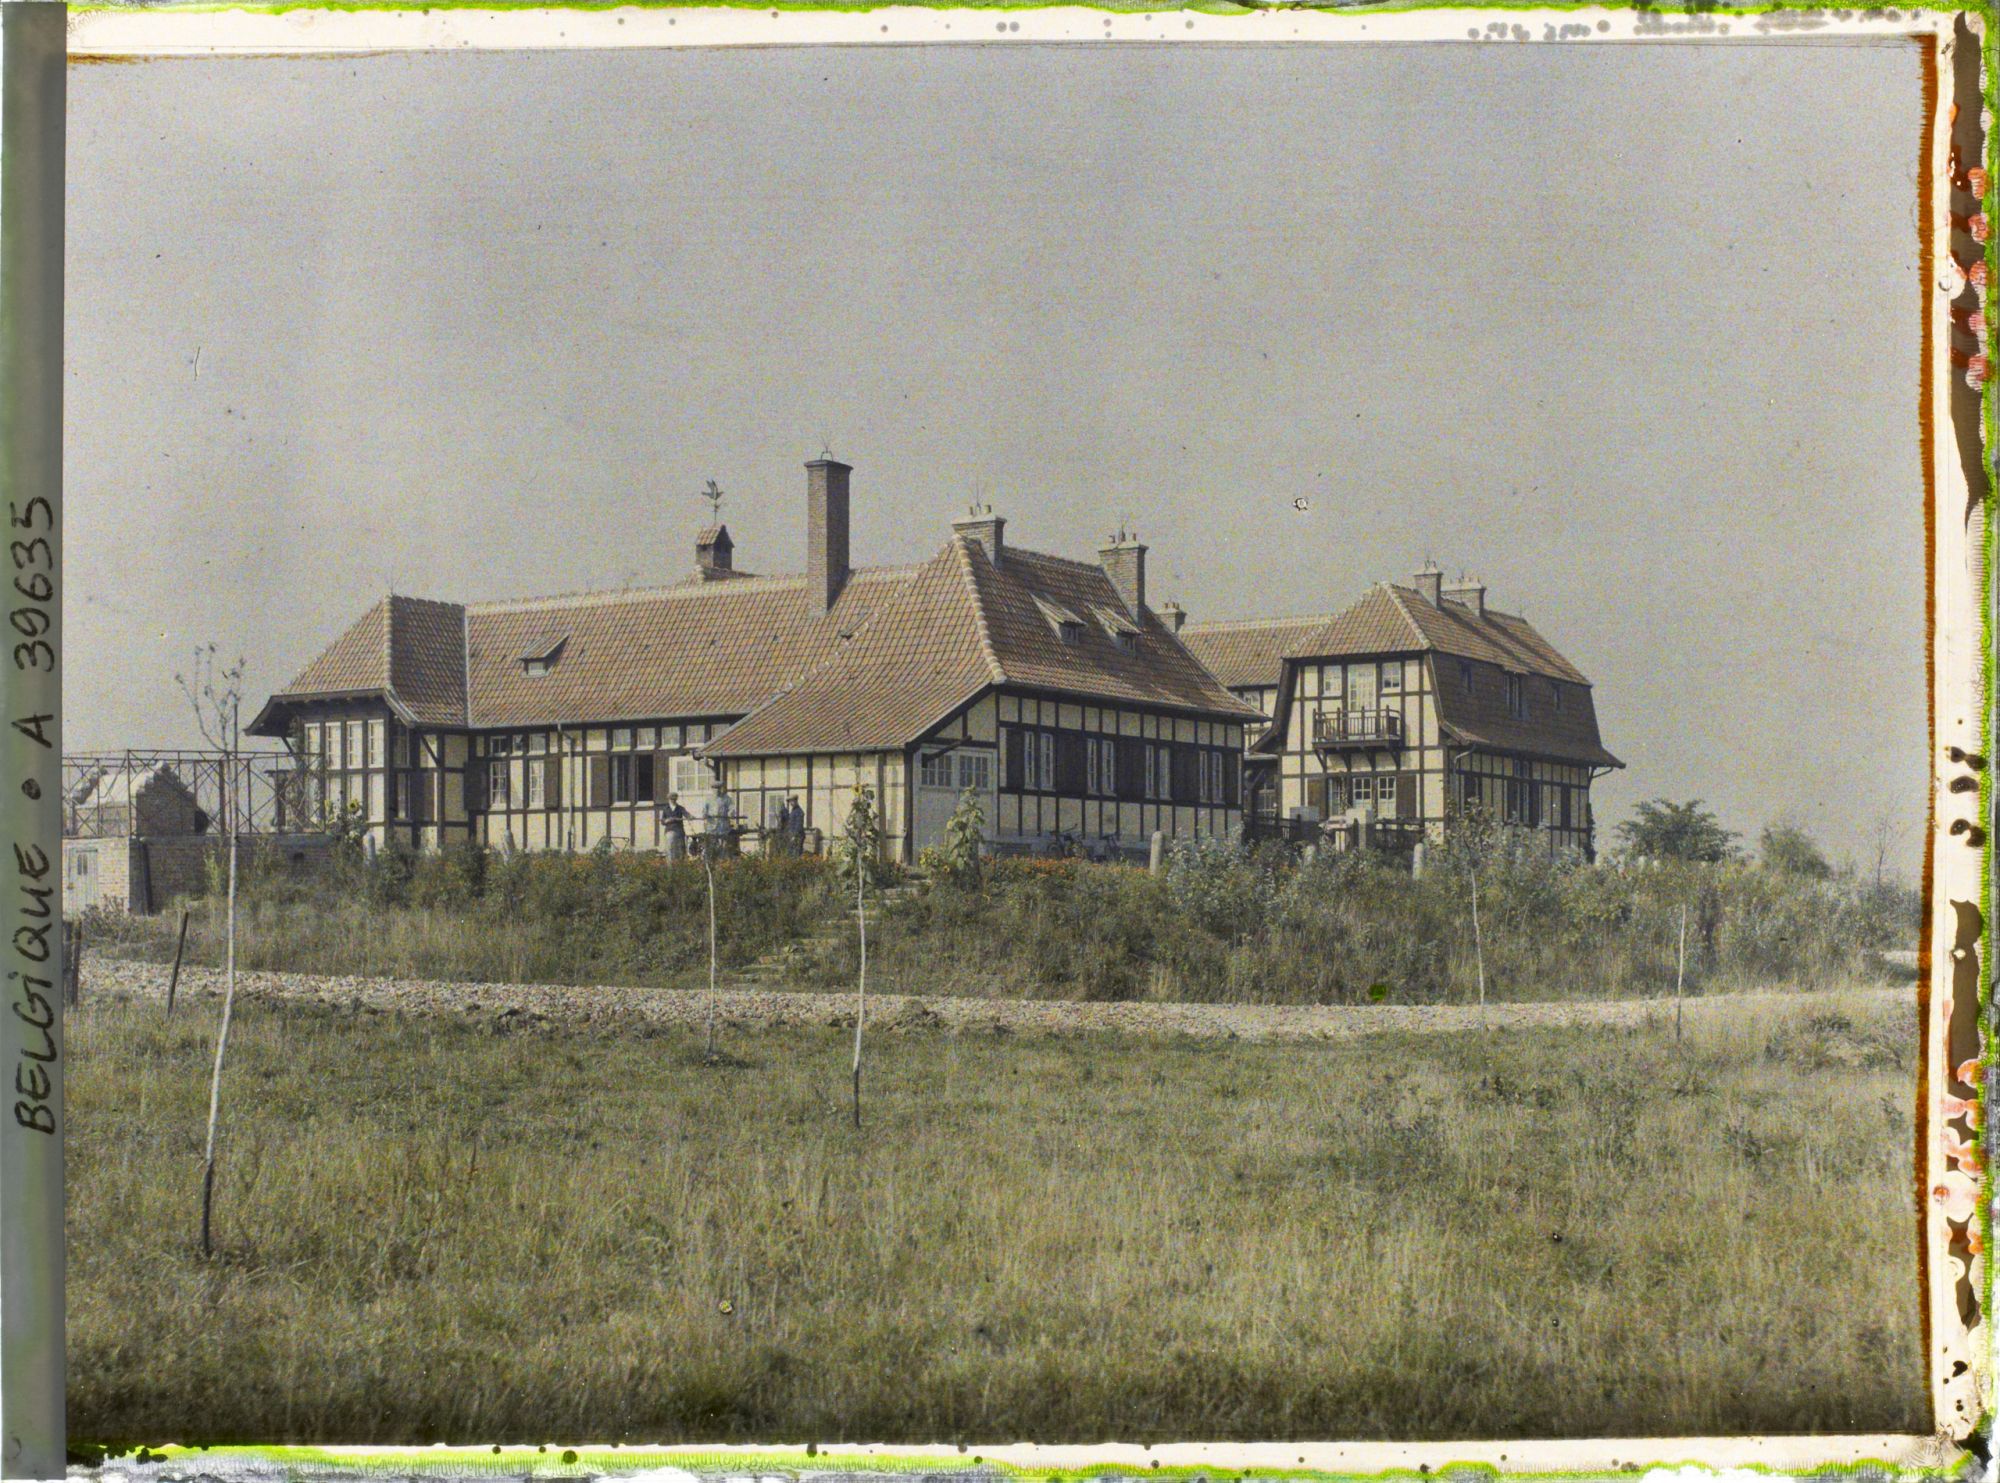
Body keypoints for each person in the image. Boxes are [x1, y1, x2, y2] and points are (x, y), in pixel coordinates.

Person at [660, 791, 690, 862]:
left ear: (676, 799)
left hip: (679, 830)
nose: (673, 800)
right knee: (670, 848)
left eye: (674, 799)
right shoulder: (665, 808)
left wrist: (691, 817)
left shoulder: (680, 808)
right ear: (669, 799)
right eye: (671, 799)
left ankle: (681, 864)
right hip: (669, 830)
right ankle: (670, 864)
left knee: (680, 848)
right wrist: (667, 820)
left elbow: (687, 814)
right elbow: (662, 821)